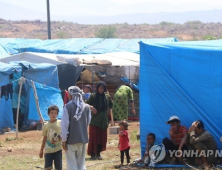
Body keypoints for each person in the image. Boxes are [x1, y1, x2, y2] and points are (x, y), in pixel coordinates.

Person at [61, 86, 91, 170]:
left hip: (71, 140)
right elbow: (88, 122)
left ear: (71, 95)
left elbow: (64, 125)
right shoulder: (86, 107)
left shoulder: (67, 107)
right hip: (83, 139)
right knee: (81, 164)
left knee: (71, 164)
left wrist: (64, 140)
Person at [86, 81, 113, 159]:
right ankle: (93, 153)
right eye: (99, 88)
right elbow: (85, 104)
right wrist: (91, 107)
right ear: (97, 88)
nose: (101, 90)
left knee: (102, 137)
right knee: (94, 137)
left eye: (102, 88)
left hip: (103, 119)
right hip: (95, 120)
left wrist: (110, 118)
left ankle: (98, 153)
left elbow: (111, 105)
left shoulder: (107, 97)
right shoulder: (93, 96)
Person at [39, 105, 62, 170]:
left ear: (57, 114)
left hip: (58, 149)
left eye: (55, 113)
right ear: (48, 114)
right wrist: (41, 150)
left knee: (58, 167)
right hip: (48, 150)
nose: (53, 115)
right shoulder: (46, 125)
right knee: (47, 167)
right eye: (52, 113)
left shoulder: (61, 123)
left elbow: (64, 134)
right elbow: (44, 138)